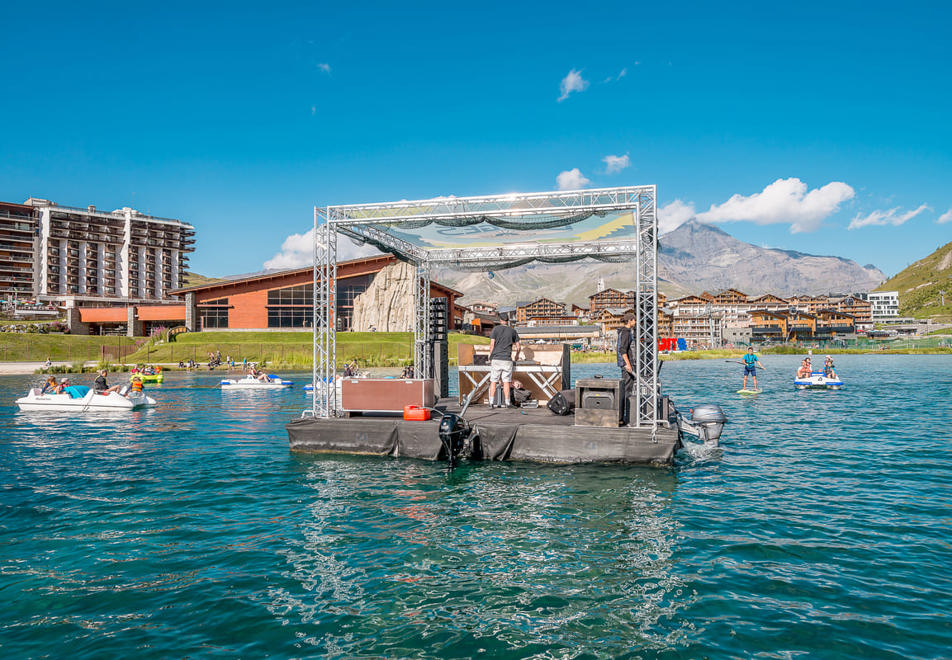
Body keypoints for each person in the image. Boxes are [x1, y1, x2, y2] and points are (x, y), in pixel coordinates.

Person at [487, 313, 520, 408]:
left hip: (496, 359)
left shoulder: (495, 329)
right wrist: (517, 356)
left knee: (493, 380)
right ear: (508, 321)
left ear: (500, 320)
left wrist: (490, 356)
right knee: (506, 381)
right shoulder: (513, 331)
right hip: (507, 360)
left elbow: (492, 345)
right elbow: (518, 346)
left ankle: (491, 403)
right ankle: (507, 403)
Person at [616, 312, 637, 423]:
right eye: (634, 320)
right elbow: (622, 350)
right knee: (627, 391)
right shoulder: (625, 332)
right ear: (630, 321)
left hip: (627, 364)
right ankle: (622, 418)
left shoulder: (626, 332)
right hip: (627, 365)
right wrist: (628, 364)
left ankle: (623, 417)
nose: (635, 322)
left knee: (628, 390)